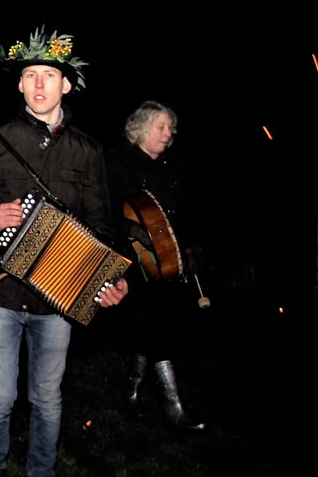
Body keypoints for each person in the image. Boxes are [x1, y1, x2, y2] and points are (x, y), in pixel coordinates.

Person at [0, 24, 129, 477]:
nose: (40, 84)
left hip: (56, 300)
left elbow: (102, 225)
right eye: (31, 75)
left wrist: (111, 279)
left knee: (47, 399)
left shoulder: (87, 150)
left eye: (49, 75)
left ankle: (40, 472)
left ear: (66, 84)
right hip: (0, 293)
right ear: (20, 84)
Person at [104, 100, 206, 431]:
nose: (169, 133)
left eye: (171, 128)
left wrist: (189, 246)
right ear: (143, 128)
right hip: (133, 262)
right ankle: (173, 407)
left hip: (169, 260)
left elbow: (187, 208)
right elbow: (103, 211)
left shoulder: (173, 163)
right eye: (162, 127)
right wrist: (129, 229)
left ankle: (131, 392)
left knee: (156, 327)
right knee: (157, 328)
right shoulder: (118, 160)